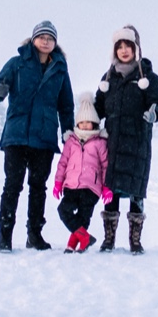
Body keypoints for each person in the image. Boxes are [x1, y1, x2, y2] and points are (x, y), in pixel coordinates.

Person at [0, 21, 74, 251]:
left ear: (55, 43)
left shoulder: (60, 69)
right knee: (12, 185)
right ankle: (5, 236)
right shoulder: (17, 64)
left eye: (50, 38)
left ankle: (34, 235)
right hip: (16, 136)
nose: (46, 41)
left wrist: (68, 134)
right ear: (33, 39)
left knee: (38, 187)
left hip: (44, 138)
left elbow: (66, 106)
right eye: (42, 37)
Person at [93, 25, 158, 253]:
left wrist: (155, 113)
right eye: (120, 47)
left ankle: (135, 241)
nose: (124, 50)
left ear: (136, 49)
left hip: (137, 142)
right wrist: (84, 122)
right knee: (111, 190)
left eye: (128, 46)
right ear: (114, 51)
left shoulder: (148, 77)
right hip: (113, 143)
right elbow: (98, 109)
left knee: (136, 191)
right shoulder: (108, 78)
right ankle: (109, 239)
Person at [52, 98, 111, 252]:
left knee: (84, 218)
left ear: (95, 123)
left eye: (88, 122)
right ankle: (84, 238)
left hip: (91, 188)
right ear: (77, 123)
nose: (85, 125)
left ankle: (73, 245)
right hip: (71, 186)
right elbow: (62, 163)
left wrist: (107, 187)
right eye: (82, 122)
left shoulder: (100, 142)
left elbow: (105, 166)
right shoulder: (71, 142)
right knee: (63, 210)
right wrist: (58, 183)